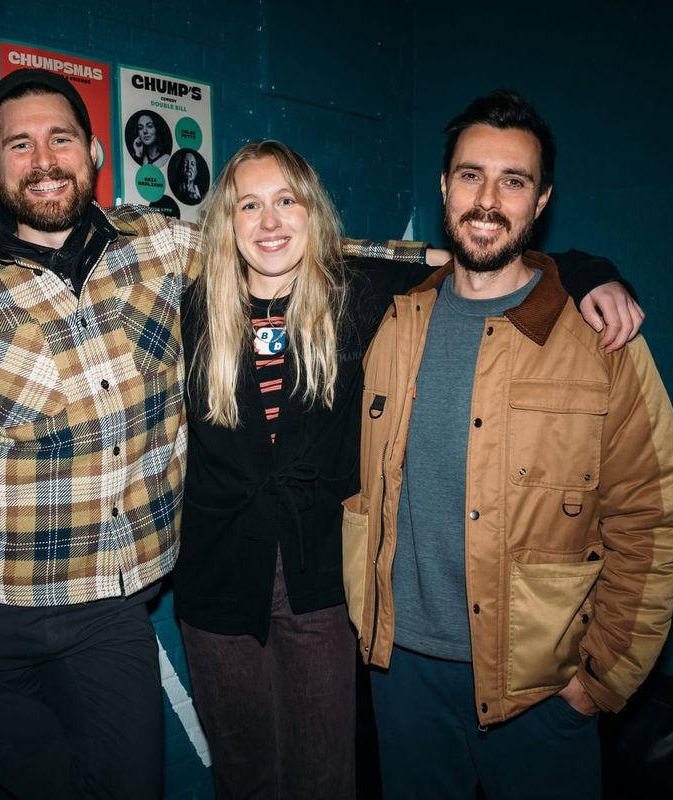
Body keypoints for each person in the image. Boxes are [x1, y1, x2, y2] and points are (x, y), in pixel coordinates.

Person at [0, 68, 432, 800]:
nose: (44, 160)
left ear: (94, 152)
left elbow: (287, 244)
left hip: (113, 601)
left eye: (61, 138)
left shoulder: (158, 246)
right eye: (21, 144)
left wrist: (450, 263)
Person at [172, 141, 643, 799]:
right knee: (244, 777)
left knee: (323, 778)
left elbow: (491, 260)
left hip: (323, 584)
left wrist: (592, 273)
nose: (269, 221)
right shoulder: (191, 309)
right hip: (216, 583)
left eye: (287, 201)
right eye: (249, 205)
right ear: (227, 220)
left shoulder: (361, 292)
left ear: (313, 213)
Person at [342, 91, 673, 800]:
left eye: (514, 181)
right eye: (471, 175)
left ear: (542, 200)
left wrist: (599, 682)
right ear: (444, 186)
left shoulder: (600, 339)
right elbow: (305, 243)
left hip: (539, 692)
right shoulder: (391, 318)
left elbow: (653, 519)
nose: (487, 200)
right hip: (400, 675)